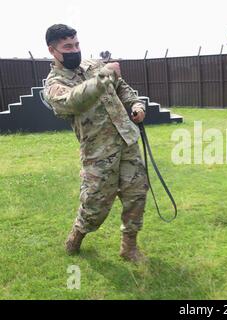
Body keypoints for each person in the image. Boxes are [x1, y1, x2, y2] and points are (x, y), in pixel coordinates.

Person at [43, 24, 149, 262]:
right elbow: (72, 101)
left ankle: (129, 247)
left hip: (127, 141)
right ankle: (77, 234)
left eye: (77, 44)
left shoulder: (93, 66)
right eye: (67, 47)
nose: (75, 50)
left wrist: (136, 105)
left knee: (137, 194)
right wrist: (104, 77)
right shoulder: (54, 83)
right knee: (95, 203)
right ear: (52, 50)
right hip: (98, 151)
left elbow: (122, 88)